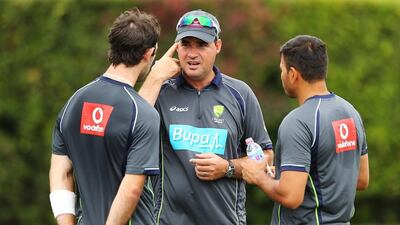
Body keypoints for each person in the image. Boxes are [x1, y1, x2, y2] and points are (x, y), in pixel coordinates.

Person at [138, 9, 273, 225]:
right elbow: (129, 131)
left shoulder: (240, 94)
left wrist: (227, 168)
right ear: (176, 47)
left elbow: (265, 156)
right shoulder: (160, 91)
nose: (192, 54)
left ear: (217, 46)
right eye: (186, 44)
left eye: (201, 45)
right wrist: (154, 77)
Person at [49, 8, 179, 225]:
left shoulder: (74, 103)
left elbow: (60, 173)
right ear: (148, 54)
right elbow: (132, 189)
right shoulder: (143, 114)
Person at [242, 35, 369, 225]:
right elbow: (360, 179)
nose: (282, 76)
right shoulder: (350, 112)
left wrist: (259, 177)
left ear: (293, 74)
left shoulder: (297, 122)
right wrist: (291, 177)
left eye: (282, 70)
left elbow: (291, 197)